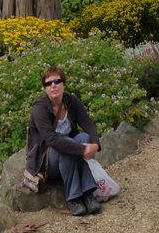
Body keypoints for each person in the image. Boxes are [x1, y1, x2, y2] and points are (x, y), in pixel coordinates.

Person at [25, 66, 102, 216]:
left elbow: (87, 124)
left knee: (84, 138)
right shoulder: (40, 108)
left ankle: (88, 194)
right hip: (46, 161)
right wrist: (83, 150)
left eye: (57, 81)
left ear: (63, 84)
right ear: (45, 88)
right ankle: (74, 198)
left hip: (68, 149)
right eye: (48, 83)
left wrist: (95, 145)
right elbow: (52, 140)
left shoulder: (71, 100)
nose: (53, 85)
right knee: (66, 146)